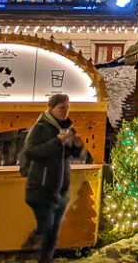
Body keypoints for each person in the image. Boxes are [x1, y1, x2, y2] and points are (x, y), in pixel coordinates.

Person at [20, 94, 84, 263]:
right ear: (51, 108)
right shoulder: (41, 127)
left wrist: (77, 146)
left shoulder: (68, 128)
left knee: (54, 229)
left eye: (67, 107)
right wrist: (57, 141)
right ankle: (28, 248)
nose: (65, 111)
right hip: (42, 187)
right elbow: (31, 152)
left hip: (61, 188)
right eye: (61, 107)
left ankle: (46, 258)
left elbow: (70, 155)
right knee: (46, 227)